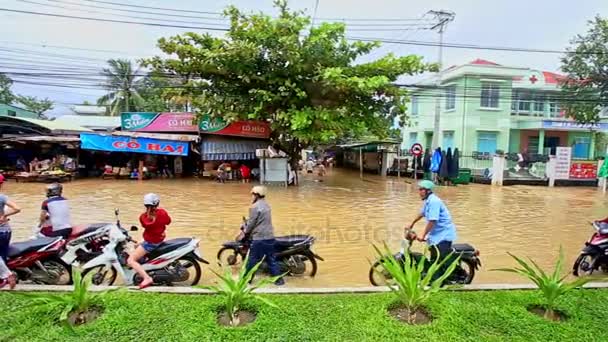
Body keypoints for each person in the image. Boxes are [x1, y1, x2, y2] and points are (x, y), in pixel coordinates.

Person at [407, 180, 457, 280]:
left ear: (428, 191)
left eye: (422, 190)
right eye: (419, 189)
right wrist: (411, 223)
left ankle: (440, 281)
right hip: (436, 235)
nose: (419, 192)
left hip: (443, 235)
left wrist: (423, 235)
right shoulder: (428, 201)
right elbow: (422, 213)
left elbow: (432, 221)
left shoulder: (434, 201)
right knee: (433, 258)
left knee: (439, 260)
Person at [241, 186, 284, 285]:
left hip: (259, 238)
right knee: (271, 260)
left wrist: (246, 232)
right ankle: (279, 281)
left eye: (252, 195)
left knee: (252, 260)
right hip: (269, 237)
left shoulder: (254, 207)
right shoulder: (267, 205)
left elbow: (252, 223)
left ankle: (246, 280)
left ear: (256, 195)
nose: (251, 196)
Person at [128, 193, 171, 289]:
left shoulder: (143, 217)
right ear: (157, 203)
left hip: (150, 242)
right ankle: (145, 266)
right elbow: (168, 222)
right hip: (159, 238)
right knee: (136, 246)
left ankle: (147, 278)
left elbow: (146, 226)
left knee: (130, 260)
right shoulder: (163, 213)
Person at [0, 174, 21, 289]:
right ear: (2, 184)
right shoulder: (3, 197)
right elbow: (17, 208)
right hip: (6, 230)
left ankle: (7, 275)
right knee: (2, 255)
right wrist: (4, 215)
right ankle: (4, 280)